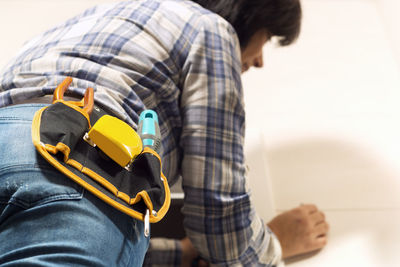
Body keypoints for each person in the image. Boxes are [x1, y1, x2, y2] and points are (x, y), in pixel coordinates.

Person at [0, 0, 329, 266]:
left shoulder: (72, 27)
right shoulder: (209, 28)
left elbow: (42, 203)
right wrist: (277, 243)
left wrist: (179, 254)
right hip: (83, 164)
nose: (259, 62)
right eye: (268, 39)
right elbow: (219, 215)